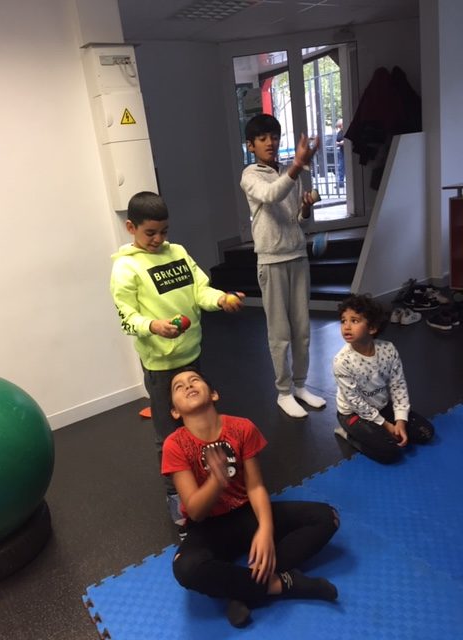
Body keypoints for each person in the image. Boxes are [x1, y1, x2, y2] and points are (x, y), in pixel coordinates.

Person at [162, 368, 339, 628]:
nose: (188, 385)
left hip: (247, 515)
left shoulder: (241, 427)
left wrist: (265, 529)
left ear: (214, 394)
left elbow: (255, 487)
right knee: (185, 568)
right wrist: (216, 480)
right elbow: (195, 511)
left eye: (195, 380)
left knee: (327, 517)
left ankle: (241, 590)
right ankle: (283, 583)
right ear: (175, 411)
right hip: (209, 528)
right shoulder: (174, 444)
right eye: (179, 387)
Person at [110, 191, 244, 534]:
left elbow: (201, 291)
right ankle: (176, 497)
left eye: (164, 231)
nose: (158, 239)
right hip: (160, 366)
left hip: (191, 356)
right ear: (131, 227)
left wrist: (222, 299)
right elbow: (126, 316)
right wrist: (152, 326)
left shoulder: (179, 253)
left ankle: (210, 484)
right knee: (168, 435)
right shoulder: (125, 268)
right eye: (150, 233)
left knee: (202, 424)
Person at [240, 113, 326, 418]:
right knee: (280, 333)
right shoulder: (250, 174)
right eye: (262, 138)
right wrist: (298, 165)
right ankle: (284, 392)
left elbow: (297, 220)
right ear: (251, 145)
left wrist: (305, 208)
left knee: (302, 329)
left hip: (297, 256)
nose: (270, 143)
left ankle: (300, 385)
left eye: (274, 137)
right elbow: (271, 194)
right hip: (272, 260)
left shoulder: (290, 171)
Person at [333, 294, 434, 464]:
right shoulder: (342, 361)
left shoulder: (388, 349)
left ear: (372, 328)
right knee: (390, 452)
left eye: (354, 321)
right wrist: (386, 425)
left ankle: (381, 431)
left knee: (426, 433)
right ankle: (348, 434)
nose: (346, 327)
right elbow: (355, 401)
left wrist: (400, 421)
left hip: (382, 406)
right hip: (354, 413)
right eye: (344, 321)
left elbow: (398, 385)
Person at [335, 118, 345, 189]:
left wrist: (343, 142)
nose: (340, 127)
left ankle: (342, 182)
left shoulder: (346, 130)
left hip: (347, 151)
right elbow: (336, 141)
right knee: (341, 167)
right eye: (339, 126)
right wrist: (339, 143)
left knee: (344, 167)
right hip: (342, 151)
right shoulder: (340, 132)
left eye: (340, 126)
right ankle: (341, 183)